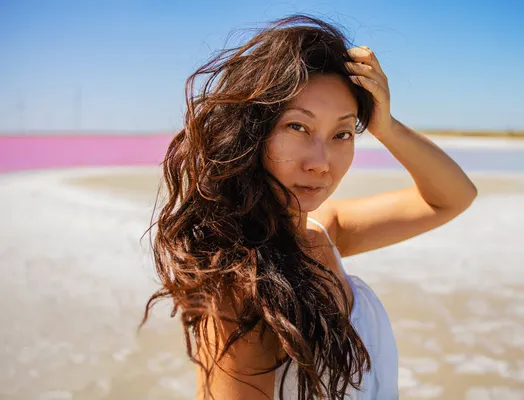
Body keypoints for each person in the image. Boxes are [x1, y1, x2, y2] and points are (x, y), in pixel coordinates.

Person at [139, 14, 477, 400]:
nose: (321, 161)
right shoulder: (240, 287)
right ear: (253, 131)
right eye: (298, 127)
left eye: (342, 133)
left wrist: (386, 126)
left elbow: (452, 197)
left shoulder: (321, 232)